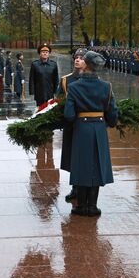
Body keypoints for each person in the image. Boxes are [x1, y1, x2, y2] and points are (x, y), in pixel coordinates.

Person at [64, 51, 119, 216]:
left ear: (86, 65)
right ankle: (92, 206)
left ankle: (81, 206)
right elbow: (112, 113)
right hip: (99, 129)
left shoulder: (73, 87)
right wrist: (111, 122)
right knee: (96, 165)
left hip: (81, 129)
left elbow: (69, 114)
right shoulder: (106, 86)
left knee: (81, 166)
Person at [56, 48, 87, 202]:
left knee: (86, 158)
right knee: (72, 158)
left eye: (81, 57)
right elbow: (59, 100)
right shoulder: (66, 80)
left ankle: (85, 188)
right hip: (71, 124)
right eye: (76, 57)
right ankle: (75, 188)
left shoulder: (91, 79)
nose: (77, 59)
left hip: (86, 125)